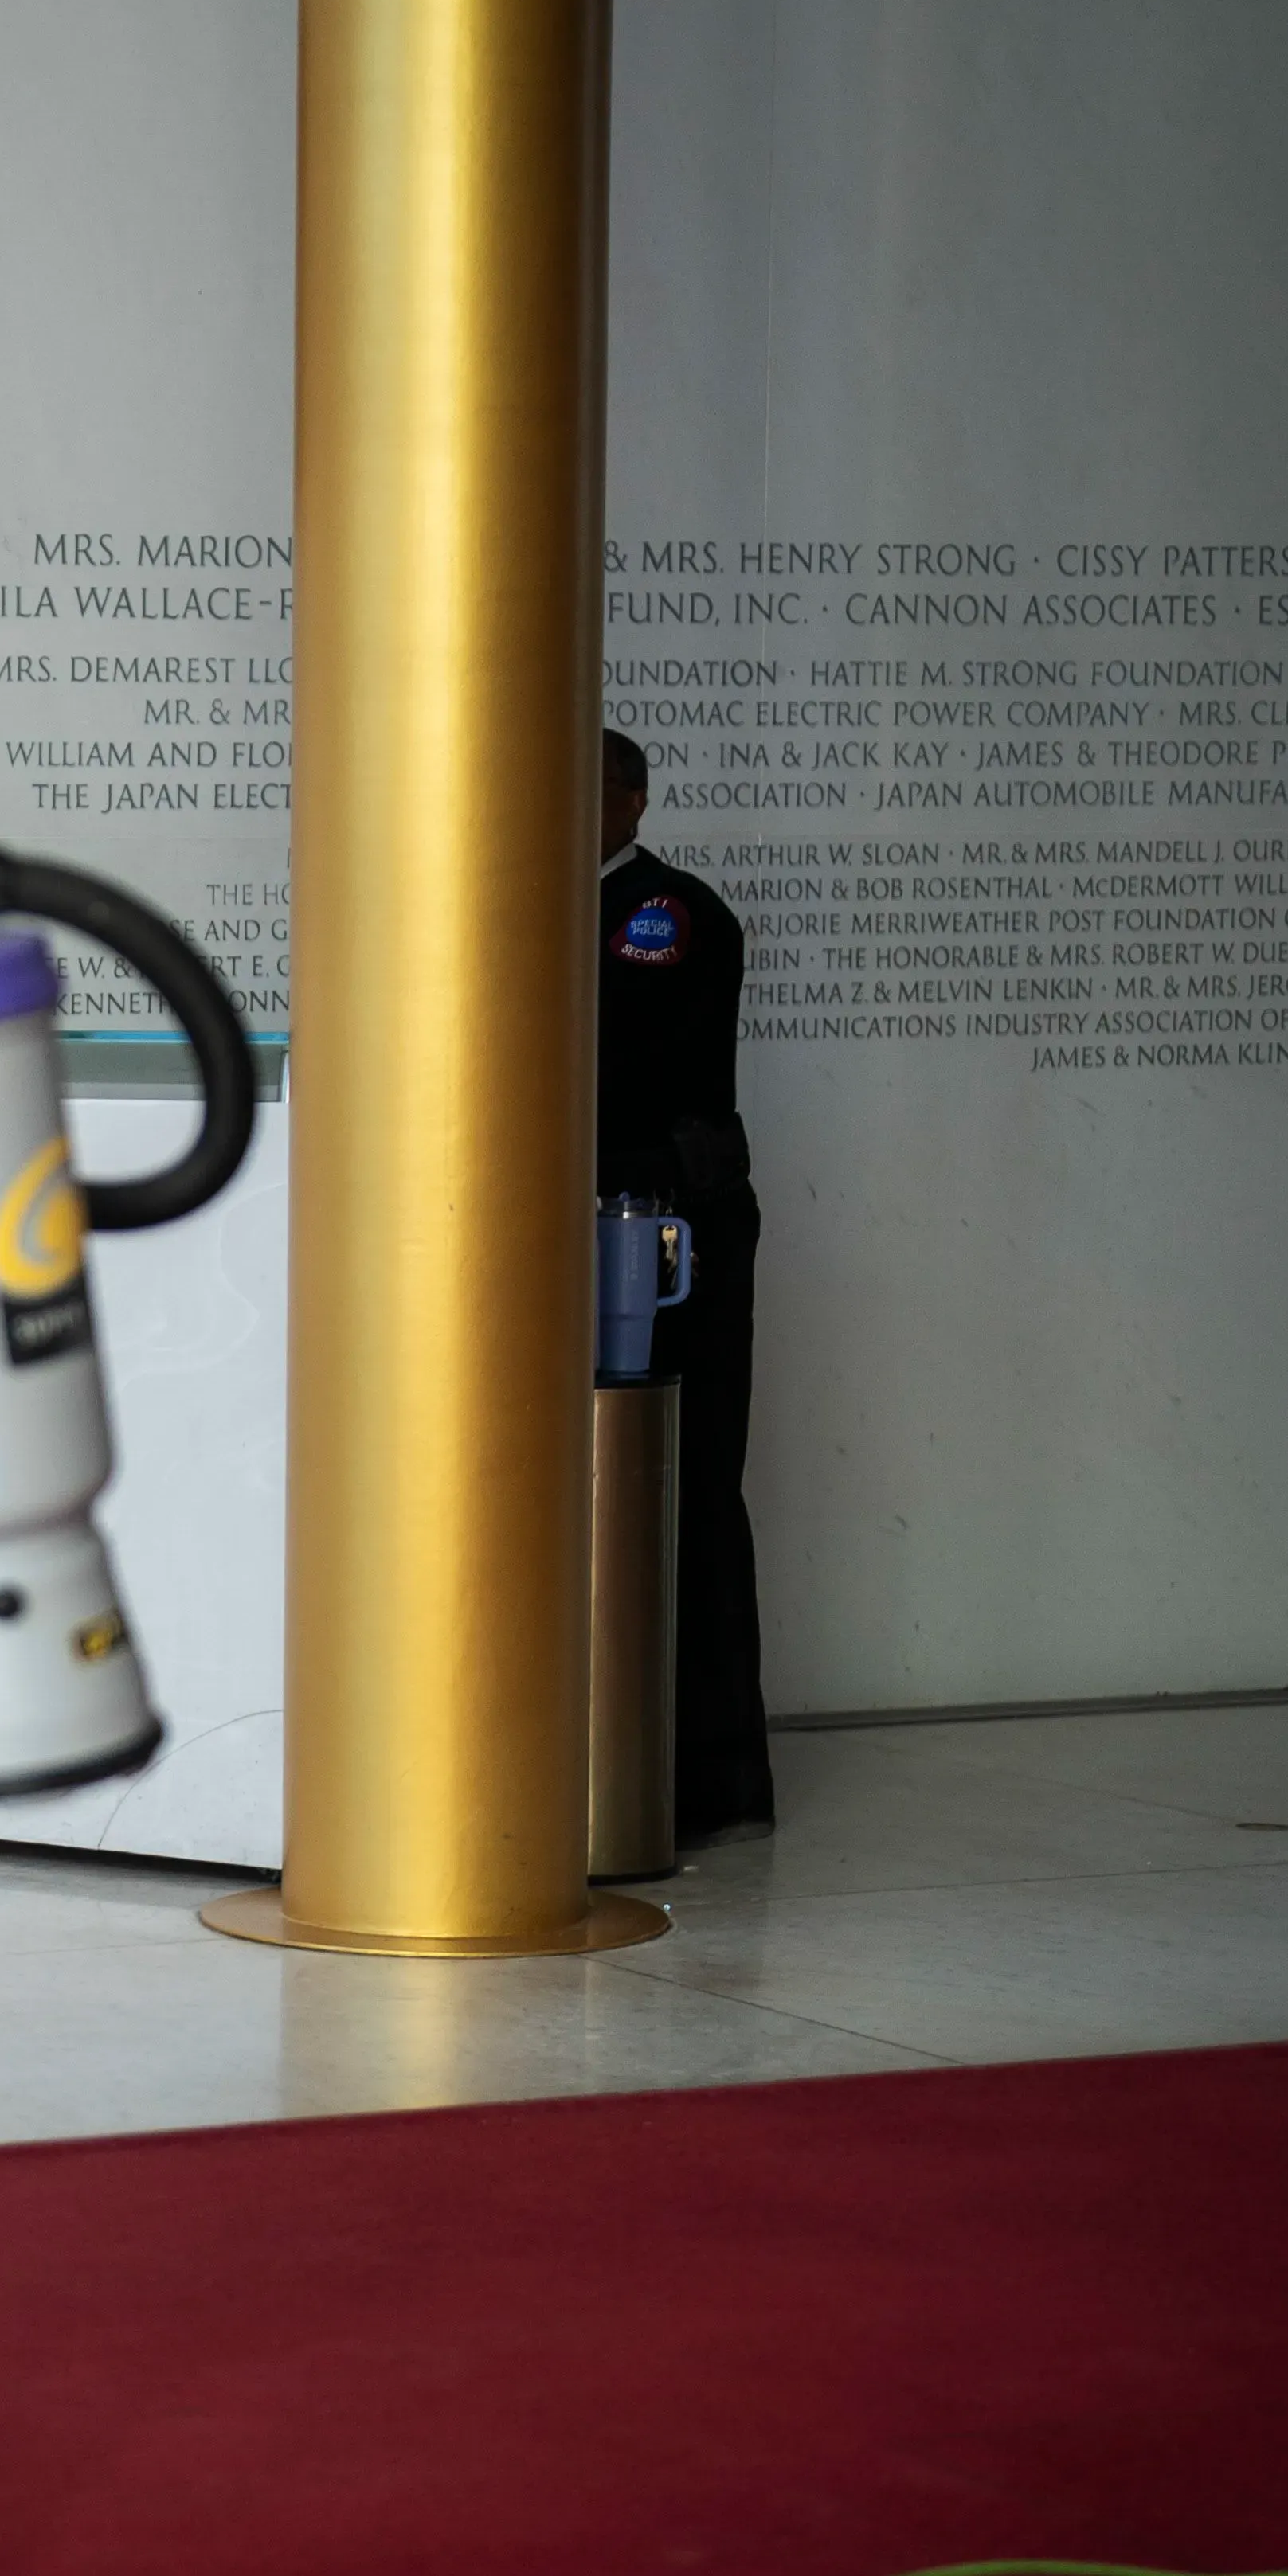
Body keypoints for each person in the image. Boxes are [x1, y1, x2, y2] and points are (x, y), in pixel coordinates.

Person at [599, 727, 774, 1842]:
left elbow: (630, 1067)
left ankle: (702, 1782)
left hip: (668, 1231)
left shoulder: (666, 916)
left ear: (631, 802)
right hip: (580, 1227)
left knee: (683, 1487)